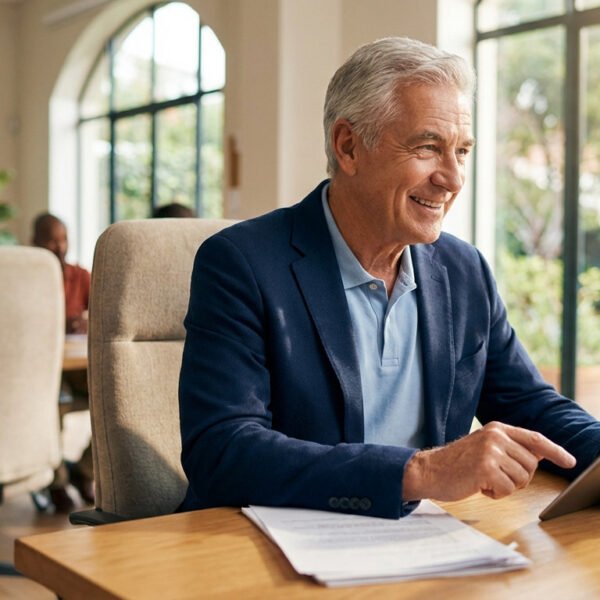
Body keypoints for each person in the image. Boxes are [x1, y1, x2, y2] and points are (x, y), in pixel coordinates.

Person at [178, 37, 600, 519]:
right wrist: (419, 473)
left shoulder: (465, 272)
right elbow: (223, 451)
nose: (454, 178)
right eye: (428, 147)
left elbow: (532, 404)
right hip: (263, 547)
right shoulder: (240, 264)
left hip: (421, 545)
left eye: (461, 151)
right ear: (348, 146)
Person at [32, 213, 94, 512]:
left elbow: (104, 311)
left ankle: (85, 472)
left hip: (76, 366)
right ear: (34, 242)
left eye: (63, 238)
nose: (59, 246)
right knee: (51, 402)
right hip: (42, 371)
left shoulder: (80, 276)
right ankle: (56, 483)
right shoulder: (23, 278)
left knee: (117, 397)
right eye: (51, 239)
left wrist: (86, 321)